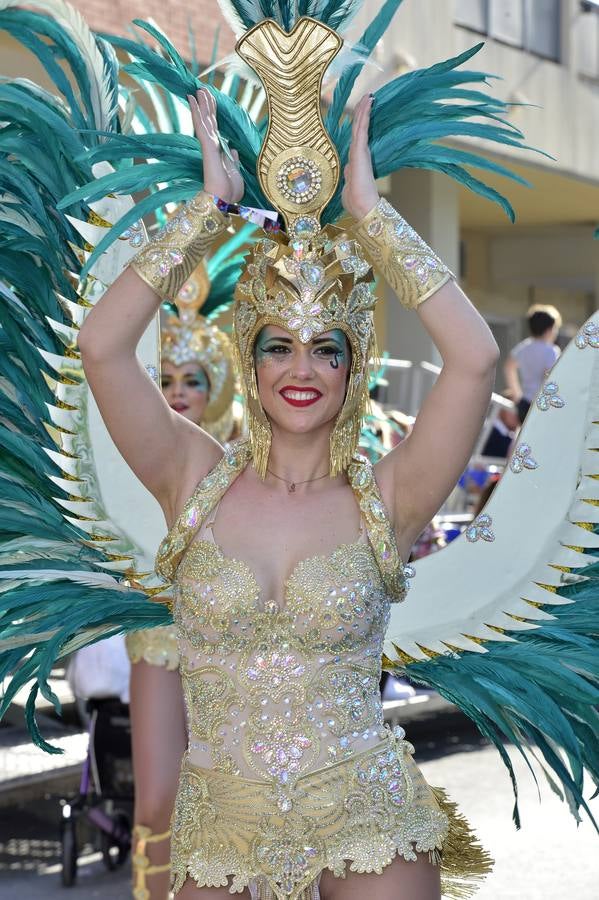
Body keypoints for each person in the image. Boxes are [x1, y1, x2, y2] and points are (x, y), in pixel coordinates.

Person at [77, 72, 497, 897]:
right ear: (251, 357)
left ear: (353, 367)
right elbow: (101, 349)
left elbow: (476, 359)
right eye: (279, 346)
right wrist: (208, 213)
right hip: (220, 827)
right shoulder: (188, 477)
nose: (301, 369)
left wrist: (372, 218)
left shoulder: (392, 495)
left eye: (326, 348)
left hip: (364, 821)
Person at [125, 277, 238, 900]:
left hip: (239, 649)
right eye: (165, 382)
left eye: (191, 380)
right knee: (159, 803)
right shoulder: (139, 460)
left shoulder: (257, 460)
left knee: (241, 809)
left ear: (217, 386)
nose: (177, 394)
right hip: (163, 636)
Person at [504, 303, 561, 423]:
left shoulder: (524, 346)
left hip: (524, 403)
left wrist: (516, 394)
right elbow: (550, 377)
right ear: (549, 329)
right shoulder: (551, 350)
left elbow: (509, 367)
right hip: (541, 404)